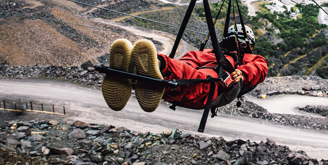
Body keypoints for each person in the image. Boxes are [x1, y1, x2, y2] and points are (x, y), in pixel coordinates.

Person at [101, 25, 268, 112]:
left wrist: (243, 73)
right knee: (187, 64)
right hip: (195, 76)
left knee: (196, 75)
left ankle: (155, 65)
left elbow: (260, 68)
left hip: (213, 85)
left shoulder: (247, 60)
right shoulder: (206, 53)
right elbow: (187, 62)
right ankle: (143, 73)